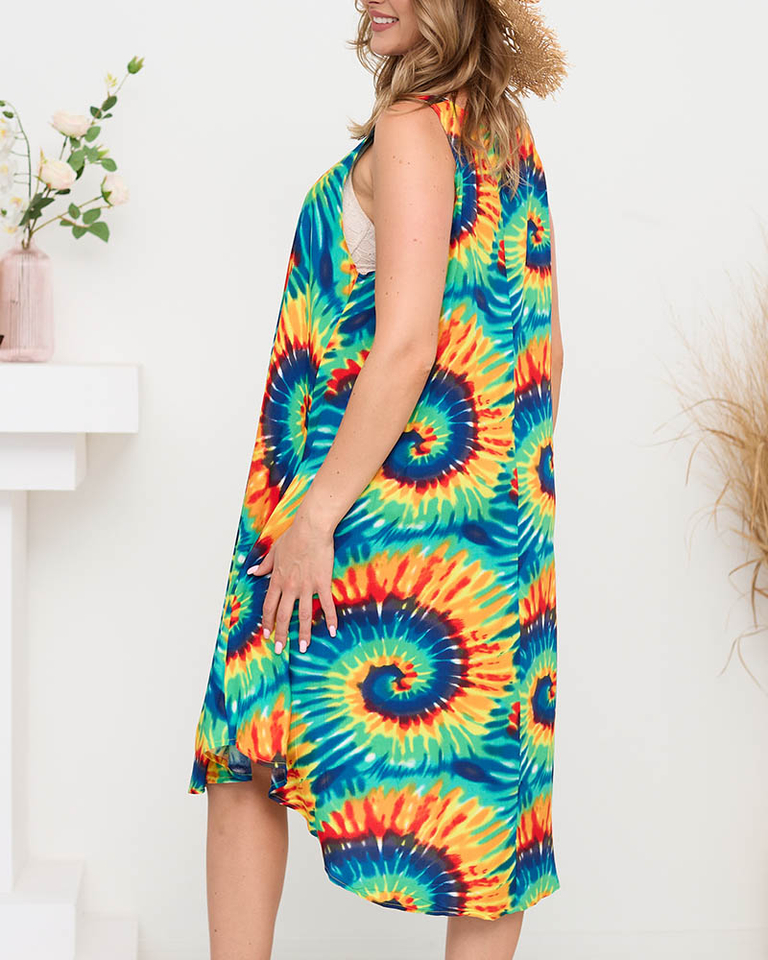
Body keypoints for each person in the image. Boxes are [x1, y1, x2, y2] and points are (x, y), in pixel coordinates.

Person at [189, 1, 568, 957]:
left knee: (248, 749)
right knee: (493, 807)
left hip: (349, 503)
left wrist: (317, 516)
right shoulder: (505, 134)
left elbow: (403, 348)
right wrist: (485, 513)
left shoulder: (409, 127)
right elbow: (549, 355)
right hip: (493, 531)